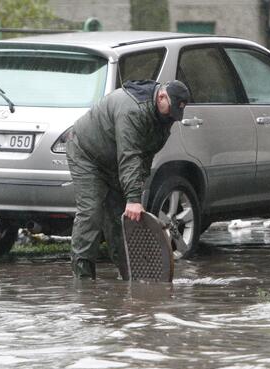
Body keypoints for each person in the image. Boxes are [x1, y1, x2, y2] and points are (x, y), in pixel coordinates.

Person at [67, 79, 190, 279]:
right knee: (91, 213)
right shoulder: (133, 110)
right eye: (170, 110)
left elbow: (144, 158)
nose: (171, 117)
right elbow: (130, 155)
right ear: (161, 97)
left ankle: (131, 278)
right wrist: (133, 199)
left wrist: (135, 193)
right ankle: (84, 282)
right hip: (86, 154)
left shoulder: (164, 118)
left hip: (114, 161)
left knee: (120, 219)